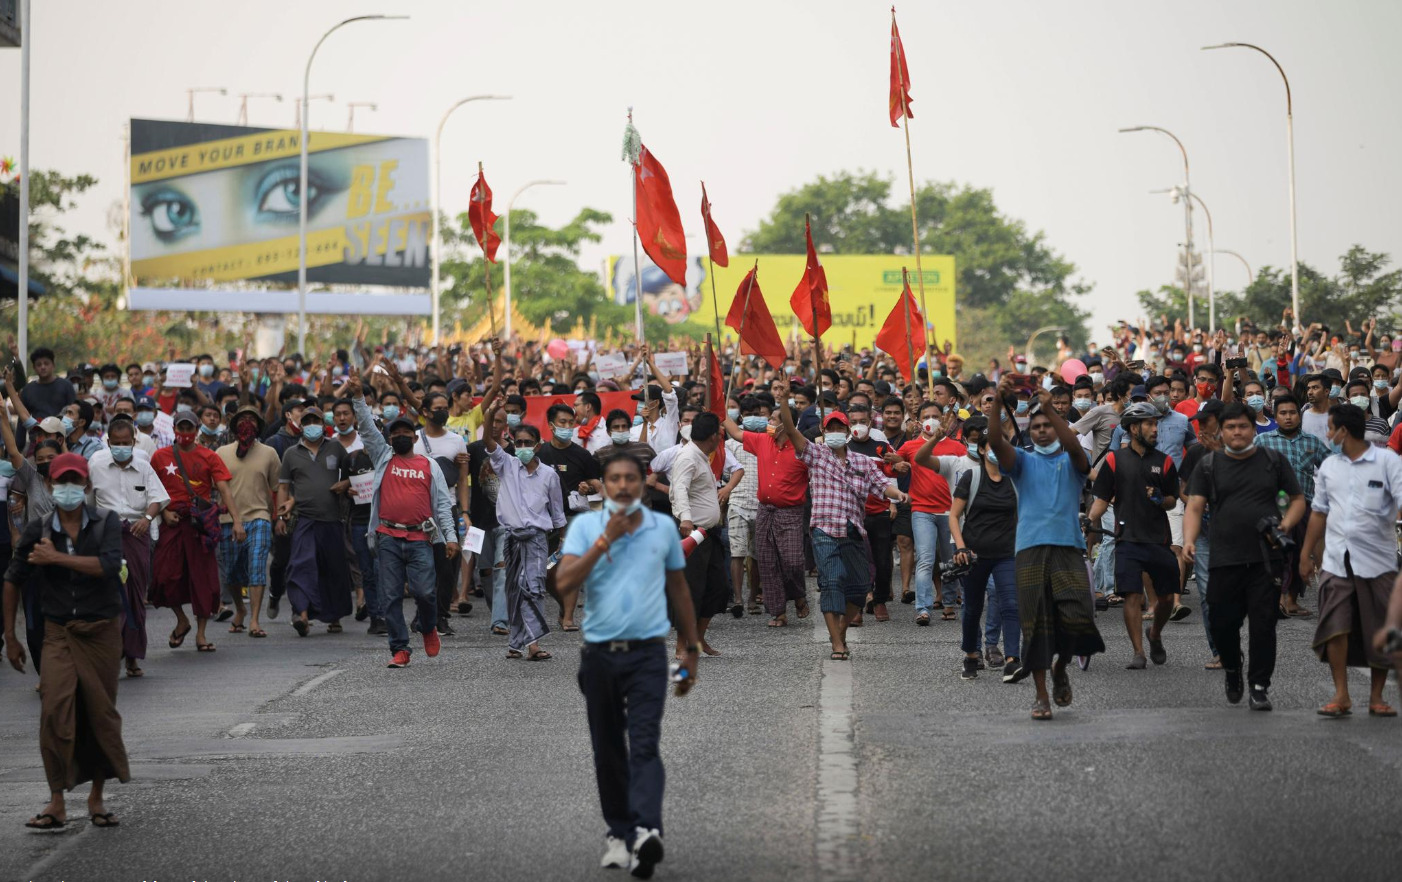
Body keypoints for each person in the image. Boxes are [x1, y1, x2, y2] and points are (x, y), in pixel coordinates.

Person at [555, 452, 699, 878]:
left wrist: (690, 648)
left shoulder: (662, 528)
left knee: (644, 742)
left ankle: (647, 831)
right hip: (599, 655)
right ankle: (618, 832)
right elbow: (564, 583)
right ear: (602, 484)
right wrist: (605, 540)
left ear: (642, 483)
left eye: (630, 479)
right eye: (613, 479)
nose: (621, 486)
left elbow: (679, 590)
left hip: (649, 655)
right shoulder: (585, 527)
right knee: (607, 749)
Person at [3, 452, 130, 830]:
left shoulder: (106, 522)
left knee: (99, 712)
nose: (69, 489)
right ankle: (56, 800)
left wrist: (56, 559)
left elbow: (108, 566)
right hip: (58, 631)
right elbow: (13, 578)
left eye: (76, 482)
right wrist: (10, 636)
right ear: (51, 486)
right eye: (62, 482)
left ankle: (96, 797)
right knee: (55, 709)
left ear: (87, 486)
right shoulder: (38, 529)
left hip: (101, 631)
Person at [990, 382, 1105, 721]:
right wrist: (998, 401)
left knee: (1076, 618)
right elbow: (996, 441)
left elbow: (1075, 449)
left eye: (1047, 426)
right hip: (1029, 550)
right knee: (1035, 626)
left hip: (1068, 548)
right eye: (1036, 426)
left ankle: (1061, 668)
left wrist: (1050, 410)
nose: (1041, 431)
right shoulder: (1022, 461)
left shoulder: (1071, 460)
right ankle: (1041, 696)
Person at [1183, 402, 1307, 711]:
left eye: (1243, 426)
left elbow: (1297, 500)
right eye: (1230, 427)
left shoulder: (1272, 461)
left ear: (1253, 429)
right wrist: (1188, 540)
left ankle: (1259, 685)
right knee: (1223, 623)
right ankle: (1232, 668)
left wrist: (1286, 524)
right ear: (1221, 432)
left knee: (1263, 625)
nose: (1237, 432)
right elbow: (1195, 506)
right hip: (1224, 558)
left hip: (1266, 559)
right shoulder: (1209, 465)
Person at [773, 379, 906, 660]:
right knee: (833, 581)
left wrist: (899, 495)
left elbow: (883, 484)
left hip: (853, 530)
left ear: (847, 432)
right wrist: (784, 401)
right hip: (823, 528)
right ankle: (837, 644)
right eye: (830, 428)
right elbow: (793, 432)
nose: (835, 432)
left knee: (859, 587)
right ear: (824, 431)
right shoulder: (816, 454)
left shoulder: (862, 462)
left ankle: (841, 630)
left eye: (839, 428)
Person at [346, 370, 458, 668]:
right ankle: (400, 648)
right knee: (391, 597)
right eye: (395, 433)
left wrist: (451, 538)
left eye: (406, 433)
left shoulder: (429, 465)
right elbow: (368, 428)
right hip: (388, 538)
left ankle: (428, 626)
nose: (400, 436)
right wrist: (358, 396)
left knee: (425, 592)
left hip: (421, 538)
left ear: (414, 437)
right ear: (391, 438)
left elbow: (443, 506)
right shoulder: (384, 457)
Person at [1300, 403, 1402, 717]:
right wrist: (1305, 553)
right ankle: (1341, 694)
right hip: (1335, 560)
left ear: (1343, 431)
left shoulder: (1387, 461)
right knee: (1336, 626)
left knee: (1378, 628)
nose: (1327, 434)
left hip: (1378, 561)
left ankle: (1377, 697)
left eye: (1330, 428)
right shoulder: (1330, 467)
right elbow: (1319, 512)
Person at [1088, 403, 1181, 669]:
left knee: (1165, 599)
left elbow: (1173, 500)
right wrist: (1088, 520)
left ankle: (1155, 634)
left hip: (1159, 540)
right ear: (1133, 428)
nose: (1155, 429)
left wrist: (1161, 499)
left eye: (1156, 424)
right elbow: (1102, 499)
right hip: (1127, 539)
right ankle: (1138, 652)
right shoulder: (1115, 460)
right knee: (1131, 595)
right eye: (1149, 424)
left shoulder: (1164, 461)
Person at [150, 409, 241, 654]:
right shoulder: (159, 457)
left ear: (197, 429)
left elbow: (225, 490)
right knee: (163, 576)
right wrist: (163, 513)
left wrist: (237, 521)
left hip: (199, 525)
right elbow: (152, 489)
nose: (185, 433)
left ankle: (201, 634)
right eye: (181, 428)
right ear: (174, 429)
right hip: (172, 522)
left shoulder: (209, 456)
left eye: (189, 428)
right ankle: (181, 619)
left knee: (204, 581)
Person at [483, 400, 566, 661]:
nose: (522, 448)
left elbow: (556, 510)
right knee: (514, 589)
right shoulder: (505, 464)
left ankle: (533, 644)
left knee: (534, 586)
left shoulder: (549, 475)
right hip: (511, 537)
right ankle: (516, 642)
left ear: (538, 446)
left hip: (538, 538)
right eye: (518, 443)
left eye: (527, 443)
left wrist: (562, 538)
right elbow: (488, 441)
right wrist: (488, 414)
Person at [86, 418, 169, 678]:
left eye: (126, 443)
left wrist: (146, 519)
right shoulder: (96, 465)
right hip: (105, 534)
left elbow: (158, 498)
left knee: (134, 595)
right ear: (108, 443)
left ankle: (132, 656)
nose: (122, 448)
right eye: (117, 444)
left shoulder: (144, 467)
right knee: (109, 594)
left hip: (135, 533)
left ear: (133, 443)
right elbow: (87, 501)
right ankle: (108, 653)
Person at [724, 395, 810, 628]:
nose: (768, 422)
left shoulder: (802, 448)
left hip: (790, 512)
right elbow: (736, 433)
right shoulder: (763, 441)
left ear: (787, 425)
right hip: (765, 510)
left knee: (792, 562)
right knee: (767, 562)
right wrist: (718, 410)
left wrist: (783, 398)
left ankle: (799, 594)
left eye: (773, 419)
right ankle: (778, 611)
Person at [947, 416, 1022, 682]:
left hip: (1007, 554)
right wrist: (961, 547)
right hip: (974, 555)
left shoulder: (1014, 479)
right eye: (992, 446)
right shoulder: (972, 476)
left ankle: (1013, 659)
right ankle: (971, 654)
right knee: (972, 607)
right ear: (982, 450)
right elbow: (954, 516)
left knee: (1011, 605)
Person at [277, 406, 354, 637]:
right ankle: (301, 613)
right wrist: (281, 516)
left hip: (332, 519)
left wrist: (346, 484)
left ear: (323, 424)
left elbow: (353, 474)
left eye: (316, 421)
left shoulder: (335, 447)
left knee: (334, 568)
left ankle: (334, 617)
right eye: (307, 421)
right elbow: (283, 486)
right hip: (304, 518)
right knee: (300, 565)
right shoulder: (291, 453)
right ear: (301, 425)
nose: (312, 425)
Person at [1257, 394, 1331, 617]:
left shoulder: (1312, 442)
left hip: (1304, 505)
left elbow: (1330, 468)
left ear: (1298, 416)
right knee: (1274, 553)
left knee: (1299, 552)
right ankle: (1276, 599)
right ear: (1275, 416)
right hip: (1270, 506)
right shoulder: (1262, 441)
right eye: (1283, 413)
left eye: (1292, 413)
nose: (1288, 417)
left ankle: (1290, 601)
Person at [215, 406, 280, 639]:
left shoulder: (269, 453)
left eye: (252, 420)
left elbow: (277, 488)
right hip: (228, 521)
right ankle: (240, 609)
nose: (247, 424)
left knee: (256, 567)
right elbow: (215, 489)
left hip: (260, 517)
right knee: (232, 572)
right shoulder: (221, 453)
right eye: (242, 419)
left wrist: (280, 515)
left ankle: (254, 619)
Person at [669, 411, 729, 656]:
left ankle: (699, 638)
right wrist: (685, 518)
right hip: (692, 533)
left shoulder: (701, 455)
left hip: (709, 533)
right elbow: (679, 489)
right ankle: (681, 644)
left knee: (718, 587)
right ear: (714, 436)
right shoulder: (687, 456)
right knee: (690, 588)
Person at [538, 402, 601, 631]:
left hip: (573, 517)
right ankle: (563, 605)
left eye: (570, 423)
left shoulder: (582, 455)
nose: (567, 427)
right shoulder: (540, 453)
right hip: (544, 518)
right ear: (551, 425)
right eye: (562, 423)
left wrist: (589, 488)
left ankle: (568, 618)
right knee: (545, 571)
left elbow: (596, 483)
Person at [20, 347, 76, 421]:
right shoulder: (27, 390)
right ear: (34, 368)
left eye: (46, 363)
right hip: (36, 431)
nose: (43, 367)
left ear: (53, 365)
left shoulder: (66, 386)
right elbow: (22, 419)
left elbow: (74, 413)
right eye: (39, 364)